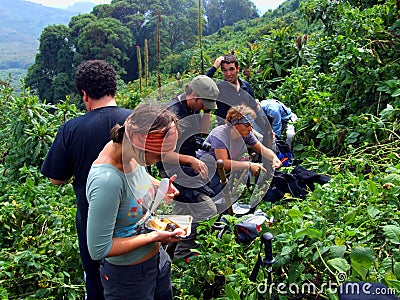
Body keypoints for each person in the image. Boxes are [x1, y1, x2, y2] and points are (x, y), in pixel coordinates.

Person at [40, 60, 132, 299]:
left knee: (97, 280)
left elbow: (55, 179)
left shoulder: (72, 129)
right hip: (134, 214)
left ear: (84, 94)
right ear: (114, 88)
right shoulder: (134, 121)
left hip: (91, 217)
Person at [86, 103, 184, 300]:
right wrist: (155, 236)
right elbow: (98, 249)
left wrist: (160, 185)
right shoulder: (107, 181)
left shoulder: (129, 153)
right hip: (128, 278)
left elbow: (137, 178)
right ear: (138, 139)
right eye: (158, 154)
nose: (160, 159)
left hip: (157, 262)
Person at [197, 104, 282, 194]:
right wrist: (249, 165)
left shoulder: (246, 134)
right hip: (206, 168)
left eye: (251, 125)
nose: (250, 129)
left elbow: (262, 149)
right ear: (235, 125)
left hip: (223, 170)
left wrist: (274, 158)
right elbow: (224, 163)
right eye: (246, 125)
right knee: (218, 196)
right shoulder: (219, 135)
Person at [206, 52, 267, 134]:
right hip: (227, 132)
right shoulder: (219, 88)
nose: (228, 74)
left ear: (237, 69)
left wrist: (267, 130)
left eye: (231, 69)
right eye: (225, 70)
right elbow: (203, 84)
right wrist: (214, 67)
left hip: (246, 131)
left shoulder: (246, 87)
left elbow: (255, 110)